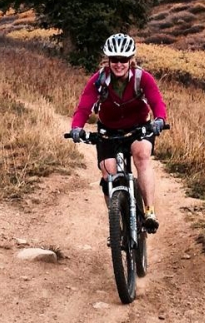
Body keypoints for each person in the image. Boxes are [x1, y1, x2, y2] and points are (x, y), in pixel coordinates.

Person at [69, 33, 167, 232]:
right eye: (114, 59)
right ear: (108, 60)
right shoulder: (98, 81)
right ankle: (117, 225)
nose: (119, 64)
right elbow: (84, 107)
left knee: (142, 156)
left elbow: (157, 102)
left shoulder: (142, 78)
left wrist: (159, 120)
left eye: (123, 59)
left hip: (139, 127)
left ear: (130, 60)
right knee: (109, 174)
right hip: (108, 131)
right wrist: (76, 128)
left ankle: (149, 211)